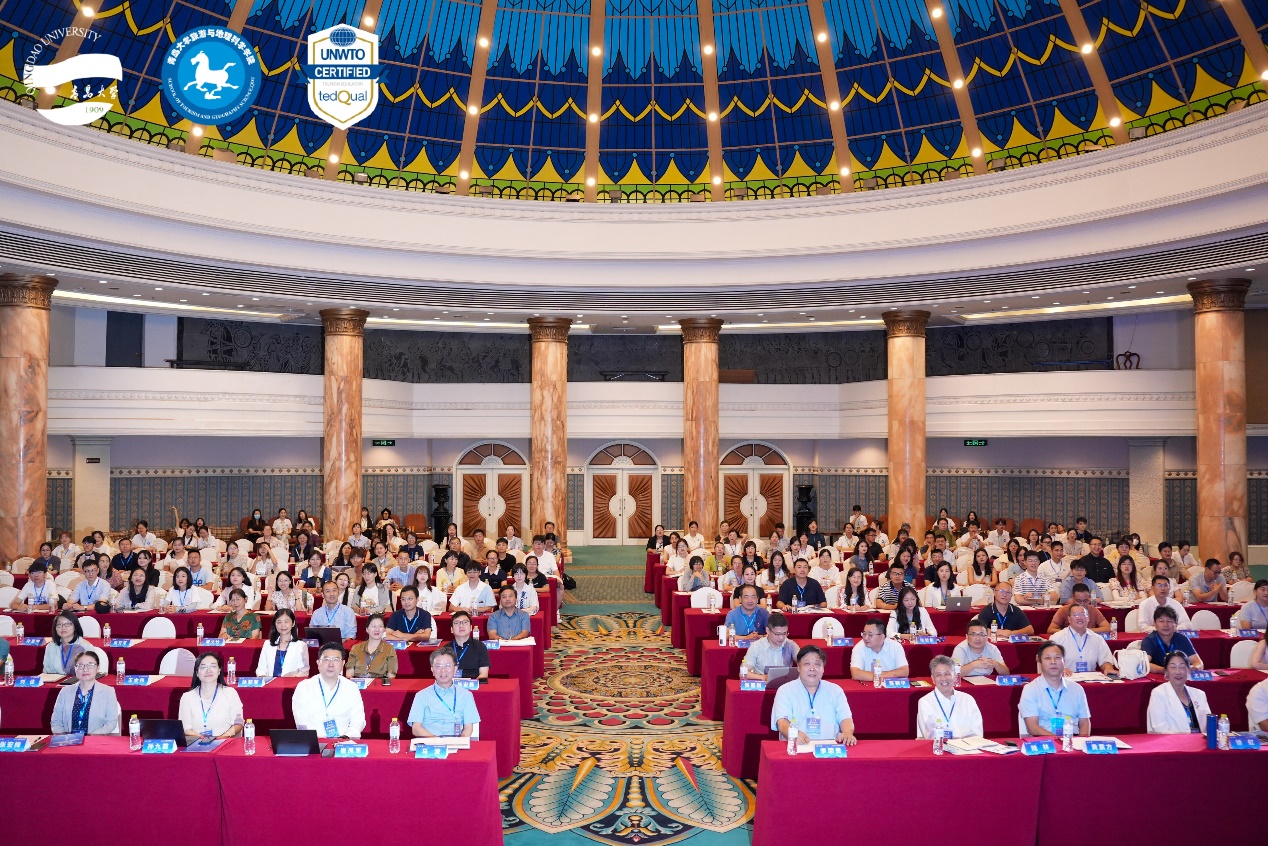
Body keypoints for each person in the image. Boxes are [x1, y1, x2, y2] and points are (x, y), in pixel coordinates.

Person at [771, 645, 857, 746]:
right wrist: (793, 734)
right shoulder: (785, 691)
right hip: (796, 747)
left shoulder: (835, 690)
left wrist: (847, 732)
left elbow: (845, 718)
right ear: (798, 667)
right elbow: (781, 722)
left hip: (829, 748)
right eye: (807, 664)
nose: (812, 669)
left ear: (823, 668)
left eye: (817, 664)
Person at [292, 642, 366, 739]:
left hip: (344, 742)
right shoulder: (304, 687)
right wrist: (318, 740)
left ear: (343, 664)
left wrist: (345, 737)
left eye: (336, 660)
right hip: (314, 742)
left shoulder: (351, 688)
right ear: (318, 663)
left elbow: (358, 721)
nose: (331, 664)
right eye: (326, 659)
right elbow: (301, 722)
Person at [1018, 641, 1091, 737]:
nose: (1053, 662)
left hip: (1073, 740)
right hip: (1045, 741)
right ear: (1040, 661)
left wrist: (1081, 741)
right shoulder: (1030, 689)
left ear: (1064, 661)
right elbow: (1032, 727)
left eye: (1057, 657)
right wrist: (1059, 741)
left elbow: (1084, 722)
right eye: (1047, 658)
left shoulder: (1077, 689)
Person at [408, 647, 481, 738]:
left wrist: (460, 742)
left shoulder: (466, 695)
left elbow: (468, 727)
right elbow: (416, 728)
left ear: (455, 669)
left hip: (456, 742)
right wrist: (437, 741)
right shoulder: (421, 696)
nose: (443, 670)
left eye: (448, 665)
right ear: (432, 670)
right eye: (438, 666)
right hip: (430, 743)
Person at [177, 653, 244, 742]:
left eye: (213, 666)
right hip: (197, 744)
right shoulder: (187, 697)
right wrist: (203, 740)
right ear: (197, 673)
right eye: (203, 667)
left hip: (224, 742)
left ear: (219, 670)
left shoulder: (230, 693)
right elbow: (186, 728)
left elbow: (238, 723)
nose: (208, 671)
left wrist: (222, 737)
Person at [50, 651, 120, 735]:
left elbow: (111, 723)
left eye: (90, 665)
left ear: (97, 668)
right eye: (80, 665)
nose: (85, 669)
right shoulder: (65, 691)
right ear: (75, 668)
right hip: (67, 740)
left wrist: (90, 738)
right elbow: (56, 722)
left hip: (94, 740)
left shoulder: (108, 692)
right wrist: (64, 738)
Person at [916, 655, 985, 739]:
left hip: (968, 747)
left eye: (947, 674)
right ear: (933, 679)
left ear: (955, 676)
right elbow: (930, 736)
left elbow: (978, 734)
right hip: (940, 746)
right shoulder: (925, 702)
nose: (943, 678)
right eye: (938, 675)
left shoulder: (967, 699)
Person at [1146, 651, 1211, 734]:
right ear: (1166, 671)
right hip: (1171, 741)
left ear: (1188, 670)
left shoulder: (1199, 694)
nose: (1178, 672)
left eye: (1182, 667)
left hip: (1200, 740)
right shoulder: (1158, 693)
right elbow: (1159, 728)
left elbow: (1209, 725)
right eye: (1173, 667)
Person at [1049, 606, 1116, 675]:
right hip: (1065, 678)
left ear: (1088, 618)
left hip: (1090, 679)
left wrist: (1108, 668)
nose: (1079, 618)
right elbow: (1046, 660)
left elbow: (1106, 661)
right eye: (1075, 615)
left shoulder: (1097, 639)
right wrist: (1059, 669)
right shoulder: (1057, 638)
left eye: (1083, 614)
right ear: (1069, 619)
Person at [1141, 606, 1202, 673]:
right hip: (1159, 677)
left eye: (1169, 621)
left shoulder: (1182, 639)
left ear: (1176, 624)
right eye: (1161, 621)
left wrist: (1193, 667)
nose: (1165, 625)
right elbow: (1145, 664)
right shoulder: (1149, 640)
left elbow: (1199, 663)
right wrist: (1167, 671)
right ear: (1155, 624)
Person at [740, 612, 797, 679]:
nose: (781, 638)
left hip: (785, 683)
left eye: (784, 633)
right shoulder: (756, 646)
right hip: (763, 683)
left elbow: (802, 661)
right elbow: (743, 673)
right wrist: (764, 677)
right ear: (768, 630)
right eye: (777, 634)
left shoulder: (790, 645)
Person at [256, 609, 309, 678]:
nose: (283, 625)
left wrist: (291, 681)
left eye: (286, 621)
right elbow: (260, 669)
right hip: (271, 683)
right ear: (275, 624)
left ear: (293, 623)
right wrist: (264, 679)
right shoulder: (267, 644)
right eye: (279, 622)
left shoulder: (301, 645)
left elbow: (304, 672)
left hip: (291, 683)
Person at [346, 614, 398, 679]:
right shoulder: (356, 648)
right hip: (358, 684)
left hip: (379, 684)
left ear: (384, 630)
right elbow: (349, 674)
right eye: (373, 626)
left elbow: (391, 676)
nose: (377, 629)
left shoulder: (389, 649)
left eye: (380, 626)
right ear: (367, 629)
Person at [1046, 584, 1111, 633]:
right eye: (1078, 601)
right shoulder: (1063, 610)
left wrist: (1085, 631)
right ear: (1072, 597)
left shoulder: (1093, 610)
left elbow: (1107, 628)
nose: (1082, 604)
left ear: (1089, 597)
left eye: (1085, 601)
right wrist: (1071, 632)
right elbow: (1051, 630)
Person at [445, 611, 490, 680]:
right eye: (457, 623)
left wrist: (472, 684)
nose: (461, 626)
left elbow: (483, 674)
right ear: (451, 630)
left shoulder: (480, 647)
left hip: (473, 684)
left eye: (465, 622)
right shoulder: (445, 650)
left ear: (471, 628)